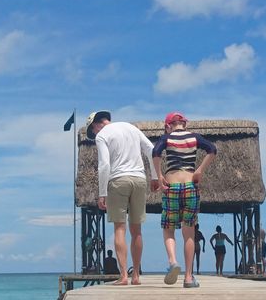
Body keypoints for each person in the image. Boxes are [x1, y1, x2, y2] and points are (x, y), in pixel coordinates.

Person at [88, 110, 159, 286]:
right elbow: (151, 149)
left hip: (118, 180)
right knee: (137, 230)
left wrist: (102, 192)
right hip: (139, 179)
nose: (95, 134)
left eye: (93, 131)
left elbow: (104, 165)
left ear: (96, 125)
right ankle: (135, 275)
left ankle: (123, 276)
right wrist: (156, 176)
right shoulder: (131, 127)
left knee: (120, 229)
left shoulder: (102, 135)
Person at [151, 112, 216, 288]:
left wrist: (159, 176)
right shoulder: (194, 137)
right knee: (189, 233)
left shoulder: (167, 138)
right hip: (190, 186)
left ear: (168, 125)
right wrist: (200, 170)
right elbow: (212, 149)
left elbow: (155, 153)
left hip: (171, 186)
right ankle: (188, 277)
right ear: (184, 124)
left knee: (168, 229)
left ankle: (173, 262)